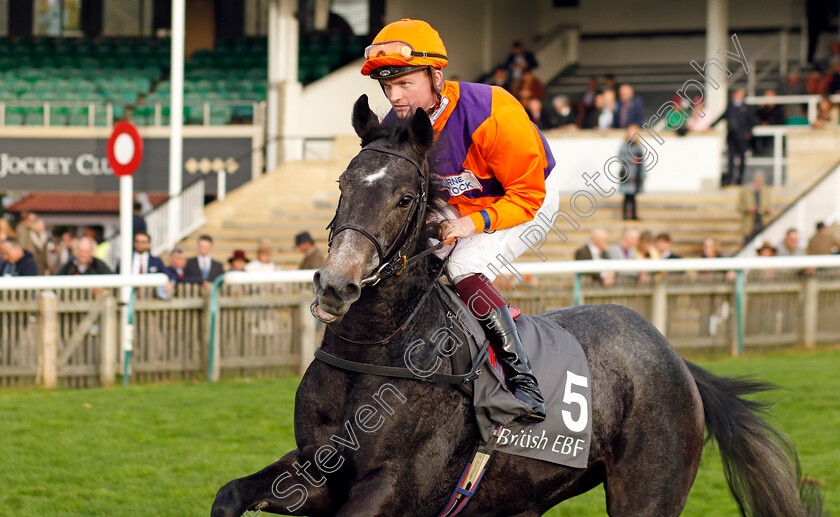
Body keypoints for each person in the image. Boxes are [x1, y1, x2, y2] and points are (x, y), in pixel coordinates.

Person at [361, 19, 562, 422]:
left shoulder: (492, 109)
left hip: (527, 197)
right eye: (387, 86)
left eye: (404, 84)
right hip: (459, 203)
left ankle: (523, 382)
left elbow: (527, 194)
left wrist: (474, 224)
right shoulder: (393, 127)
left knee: (462, 265)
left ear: (436, 76)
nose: (394, 97)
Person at [713, 87, 757, 186]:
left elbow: (752, 121)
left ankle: (740, 180)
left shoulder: (747, 108)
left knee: (742, 159)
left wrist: (748, 133)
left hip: (742, 138)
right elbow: (722, 116)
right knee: (730, 159)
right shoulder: (730, 107)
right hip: (732, 137)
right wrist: (711, 126)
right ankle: (729, 179)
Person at [617, 124, 646, 220]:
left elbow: (642, 161)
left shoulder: (638, 146)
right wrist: (631, 160)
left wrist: (643, 174)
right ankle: (625, 215)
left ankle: (633, 215)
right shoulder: (624, 145)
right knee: (627, 196)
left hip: (636, 175)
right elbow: (621, 158)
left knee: (633, 197)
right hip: (627, 174)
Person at [739, 171, 771, 245]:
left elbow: (767, 205)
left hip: (762, 221)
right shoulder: (745, 190)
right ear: (755, 180)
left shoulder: (765, 190)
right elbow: (739, 207)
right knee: (747, 243)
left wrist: (767, 209)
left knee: (763, 243)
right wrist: (747, 208)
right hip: (750, 222)